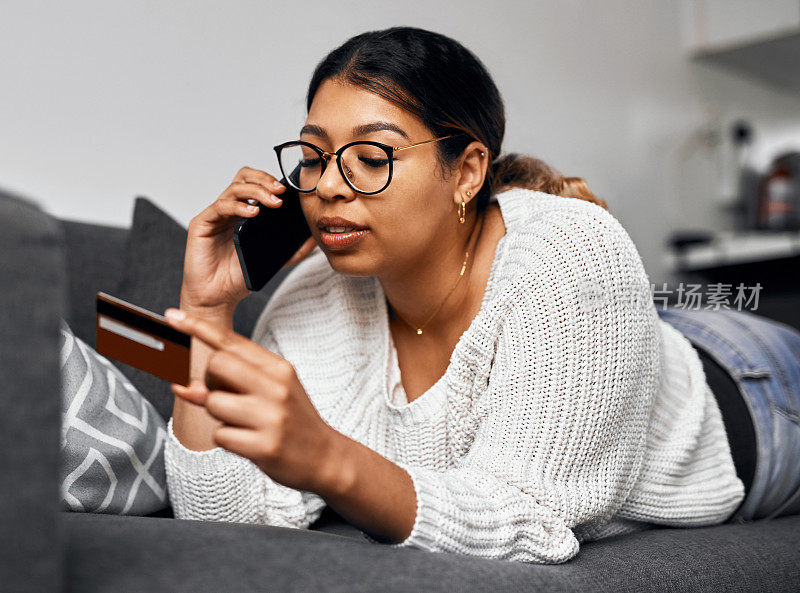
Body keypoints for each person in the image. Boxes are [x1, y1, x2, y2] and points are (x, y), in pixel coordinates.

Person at [161, 26, 800, 564]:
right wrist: (206, 311)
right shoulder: (309, 297)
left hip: (752, 388)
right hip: (606, 335)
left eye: (372, 157)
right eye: (314, 154)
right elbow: (222, 525)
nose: (327, 184)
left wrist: (330, 459)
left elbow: (530, 518)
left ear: (466, 171)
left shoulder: (571, 255)